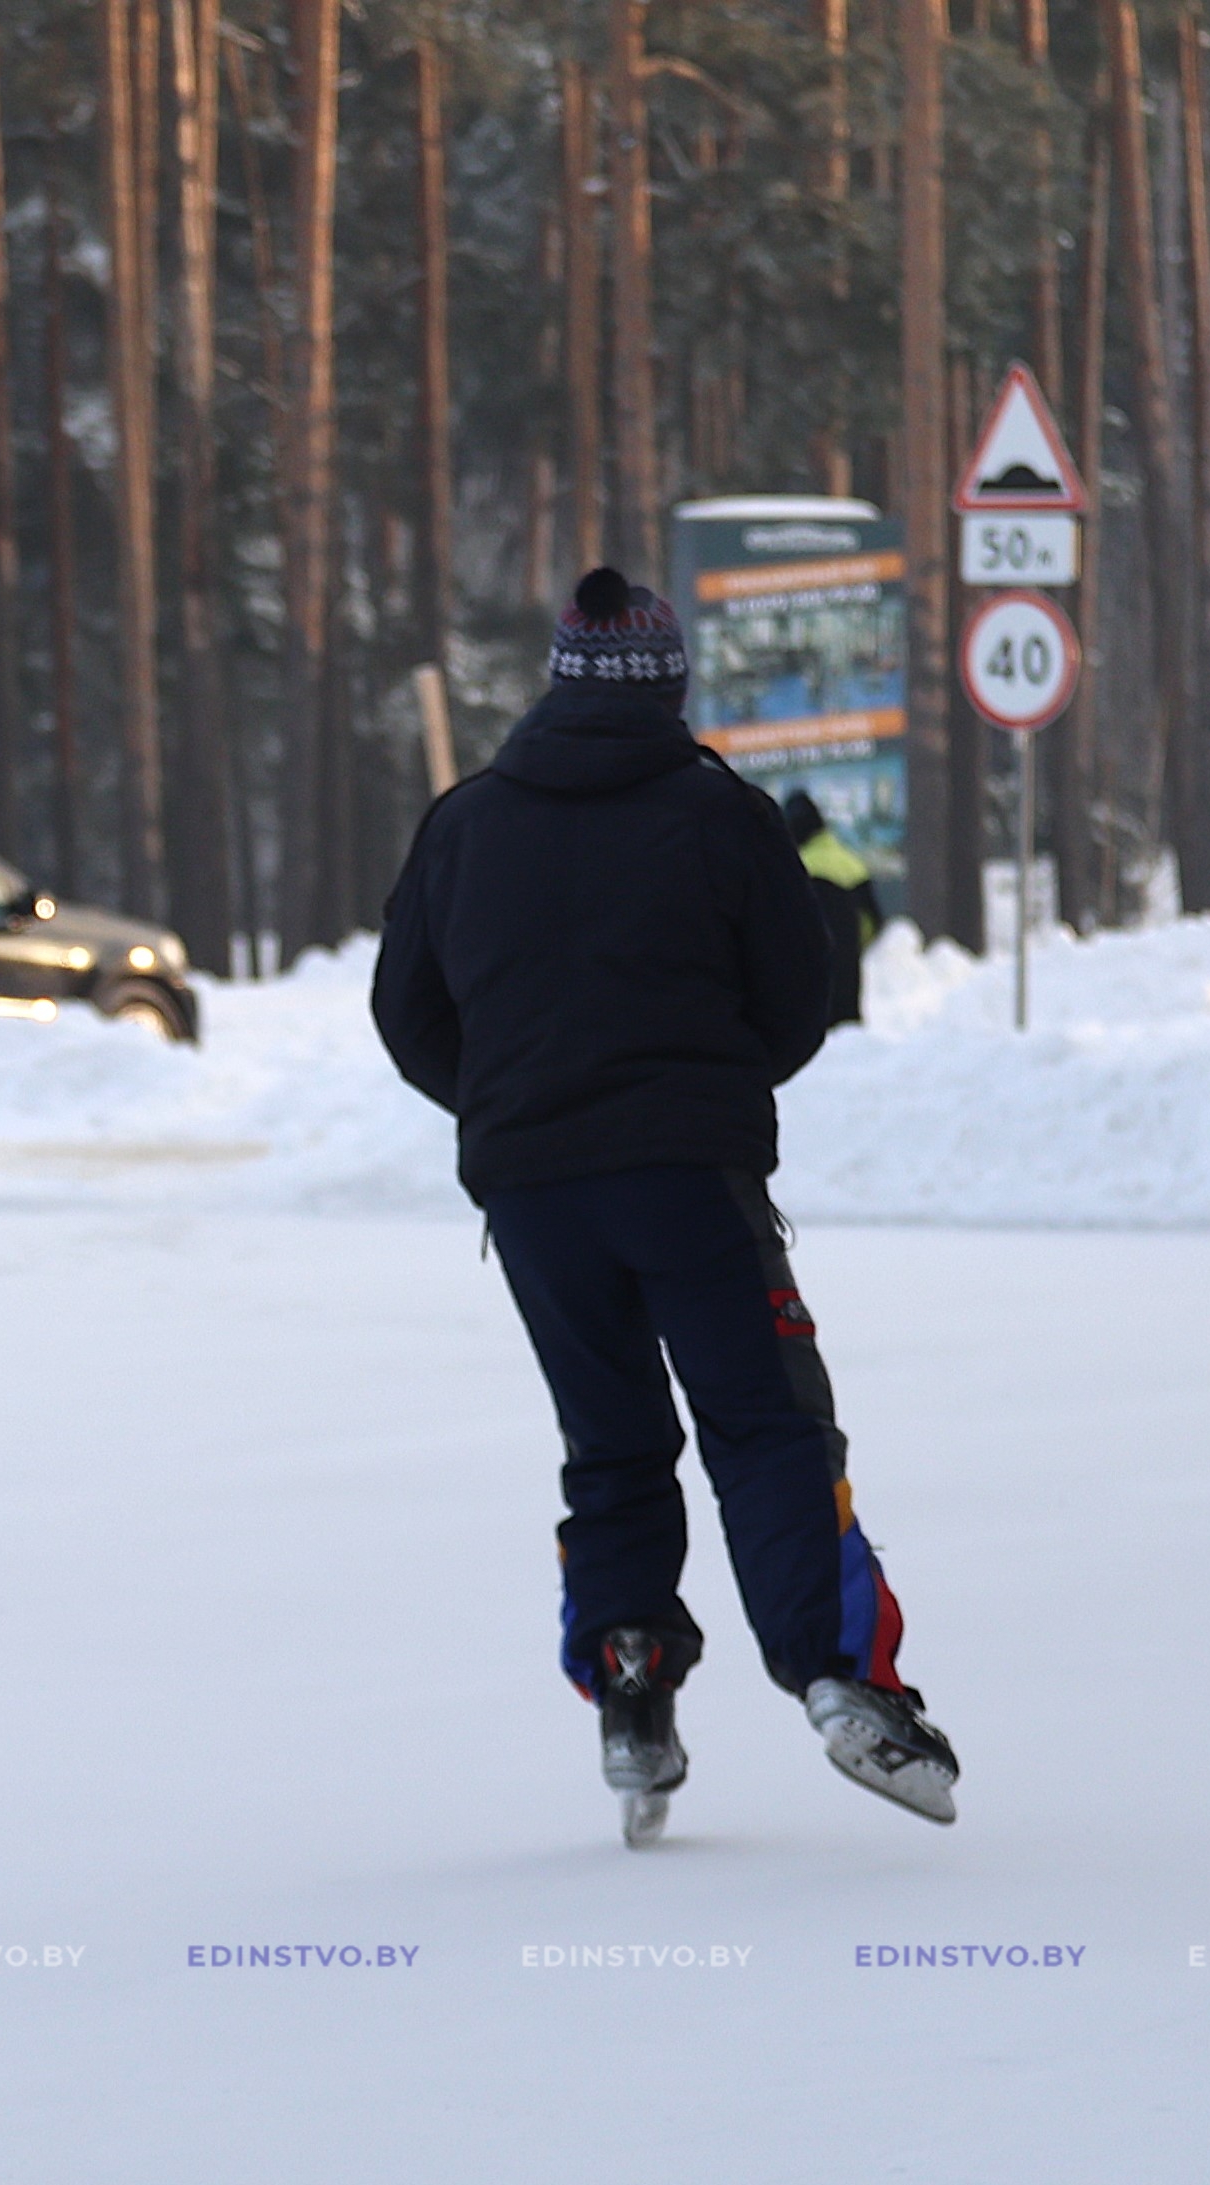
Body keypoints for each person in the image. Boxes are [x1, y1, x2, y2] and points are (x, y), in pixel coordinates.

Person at [371, 567, 959, 1846]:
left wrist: (508, 1105)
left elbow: (403, 1014)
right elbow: (798, 1000)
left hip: (533, 1198)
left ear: (557, 684)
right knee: (765, 1424)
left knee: (613, 1441)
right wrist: (703, 1090)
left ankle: (630, 1684)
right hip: (689, 1182)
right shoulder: (719, 815)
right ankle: (841, 1675)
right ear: (670, 686)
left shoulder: (466, 823)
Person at [782, 788, 882, 1029]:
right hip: (849, 980)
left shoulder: (794, 870)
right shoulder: (851, 862)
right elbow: (873, 921)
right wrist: (851, 946)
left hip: (809, 988)